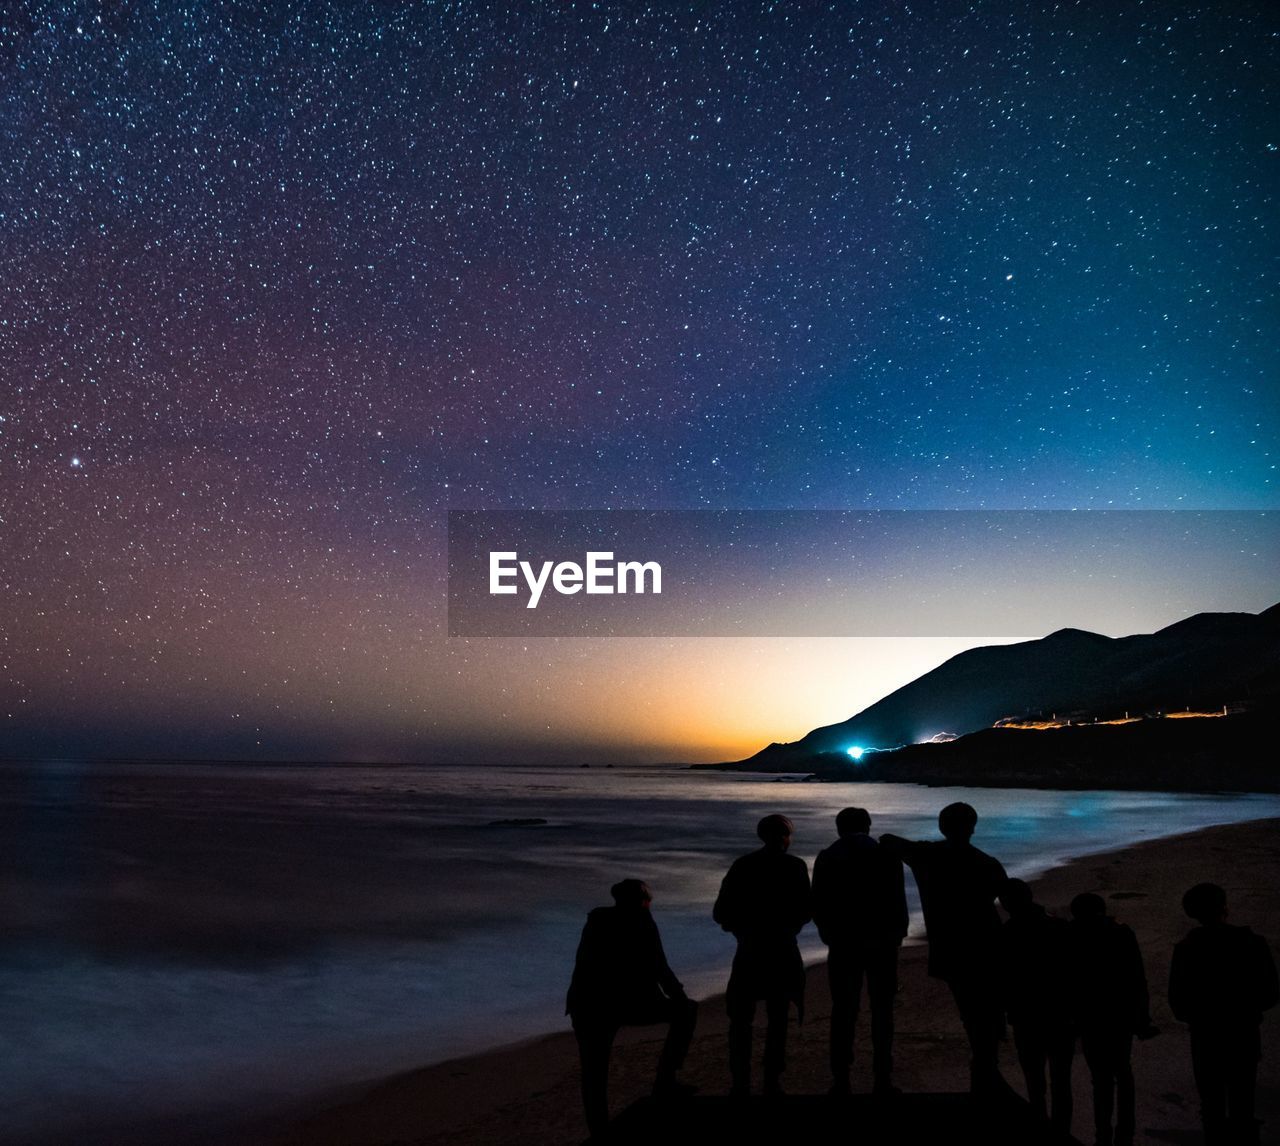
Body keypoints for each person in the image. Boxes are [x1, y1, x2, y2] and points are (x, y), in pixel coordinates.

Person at [880, 802, 1008, 1093]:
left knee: (971, 1011)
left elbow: (888, 840)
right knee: (987, 1010)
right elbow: (1006, 896)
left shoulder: (927, 857)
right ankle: (987, 1069)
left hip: (950, 947)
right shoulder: (987, 863)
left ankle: (985, 1069)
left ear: (942, 827)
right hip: (986, 944)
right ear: (973, 827)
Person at [566, 879, 698, 1139]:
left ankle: (599, 1130)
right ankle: (665, 1082)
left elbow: (584, 965)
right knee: (686, 1012)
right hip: (618, 1003)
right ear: (641, 901)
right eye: (648, 900)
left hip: (588, 1004)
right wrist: (680, 998)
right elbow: (661, 967)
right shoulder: (642, 921)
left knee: (593, 1073)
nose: (650, 905)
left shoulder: (596, 921)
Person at [1169, 882, 1278, 1146]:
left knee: (1211, 1106)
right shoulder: (1253, 942)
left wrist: (1201, 1015)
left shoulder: (1186, 949)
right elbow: (1271, 993)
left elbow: (1178, 1003)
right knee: (1243, 1102)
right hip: (1243, 1032)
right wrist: (1246, 1010)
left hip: (1205, 1036)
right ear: (1224, 907)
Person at [713, 813, 812, 1096]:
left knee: (741, 1019)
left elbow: (720, 912)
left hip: (749, 950)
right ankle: (772, 1079)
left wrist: (740, 930)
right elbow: (806, 910)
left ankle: (740, 1081)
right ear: (785, 837)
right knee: (778, 1017)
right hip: (782, 949)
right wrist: (788, 927)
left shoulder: (743, 865)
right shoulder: (794, 866)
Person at [811, 806, 907, 1096]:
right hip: (882, 943)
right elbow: (897, 899)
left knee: (843, 1011)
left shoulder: (828, 856)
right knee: (883, 1011)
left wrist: (828, 935)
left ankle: (841, 1079)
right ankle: (883, 1077)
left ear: (839, 828)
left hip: (843, 944)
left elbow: (818, 903)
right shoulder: (886, 855)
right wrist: (897, 935)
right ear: (868, 825)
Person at [1069, 892, 1158, 1146]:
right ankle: (1125, 1131)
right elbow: (1137, 979)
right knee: (1123, 1071)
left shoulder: (1071, 934)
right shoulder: (1121, 932)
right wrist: (1142, 1019)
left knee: (1100, 1077)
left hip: (1089, 1016)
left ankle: (1103, 1131)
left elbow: (1067, 981)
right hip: (1120, 1014)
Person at [998, 878, 1075, 1132]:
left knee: (1034, 1079)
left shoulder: (1008, 934)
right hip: (1060, 1012)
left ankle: (1040, 1125)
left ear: (1007, 904)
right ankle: (1061, 1130)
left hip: (1025, 1015)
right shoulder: (1059, 927)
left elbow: (1003, 980)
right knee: (1061, 1079)